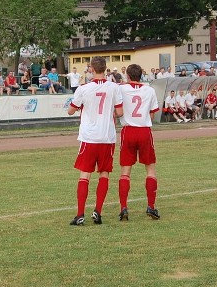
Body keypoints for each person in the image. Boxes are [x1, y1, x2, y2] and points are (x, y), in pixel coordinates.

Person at [67, 55, 124, 226]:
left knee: (85, 174)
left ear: (91, 69)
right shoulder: (114, 87)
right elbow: (120, 113)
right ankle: (98, 211)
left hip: (89, 136)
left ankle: (80, 214)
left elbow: (70, 110)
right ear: (106, 69)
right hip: (107, 136)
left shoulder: (84, 89)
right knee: (104, 173)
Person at [117, 64, 160, 221]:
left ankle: (123, 208)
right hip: (144, 131)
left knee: (125, 172)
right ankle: (151, 206)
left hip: (128, 131)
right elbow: (153, 113)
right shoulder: (149, 90)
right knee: (150, 169)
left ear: (127, 76)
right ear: (141, 75)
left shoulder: (121, 89)